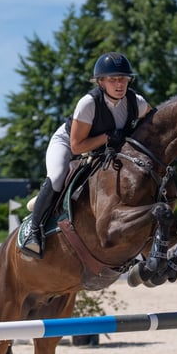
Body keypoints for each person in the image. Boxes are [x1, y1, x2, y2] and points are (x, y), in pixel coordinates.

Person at [21, 52, 153, 259]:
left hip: (103, 149)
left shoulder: (137, 102)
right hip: (69, 142)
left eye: (123, 79)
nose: (119, 84)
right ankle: (34, 231)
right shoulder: (88, 103)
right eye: (113, 79)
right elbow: (77, 146)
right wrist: (108, 137)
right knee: (57, 177)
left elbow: (154, 124)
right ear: (101, 82)